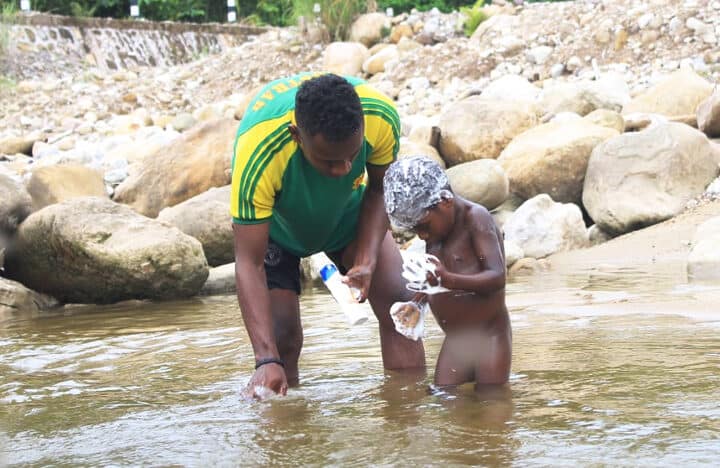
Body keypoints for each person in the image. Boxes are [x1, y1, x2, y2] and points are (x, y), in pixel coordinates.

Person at [230, 72, 425, 399]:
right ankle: (285, 438)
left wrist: (367, 257)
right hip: (279, 231)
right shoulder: (259, 149)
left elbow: (378, 188)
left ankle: (407, 421)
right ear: (296, 136)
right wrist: (265, 358)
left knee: (398, 307)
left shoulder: (380, 114)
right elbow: (249, 263)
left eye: (352, 155)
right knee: (282, 338)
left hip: (348, 215)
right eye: (329, 161)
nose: (343, 169)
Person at [383, 155, 511, 388]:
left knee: (492, 402)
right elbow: (436, 279)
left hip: (489, 336)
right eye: (414, 229)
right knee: (442, 397)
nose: (421, 235)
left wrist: (449, 279)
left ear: (445, 202)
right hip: (456, 340)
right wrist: (417, 303)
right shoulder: (437, 232)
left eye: (423, 226)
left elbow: (496, 276)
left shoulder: (476, 219)